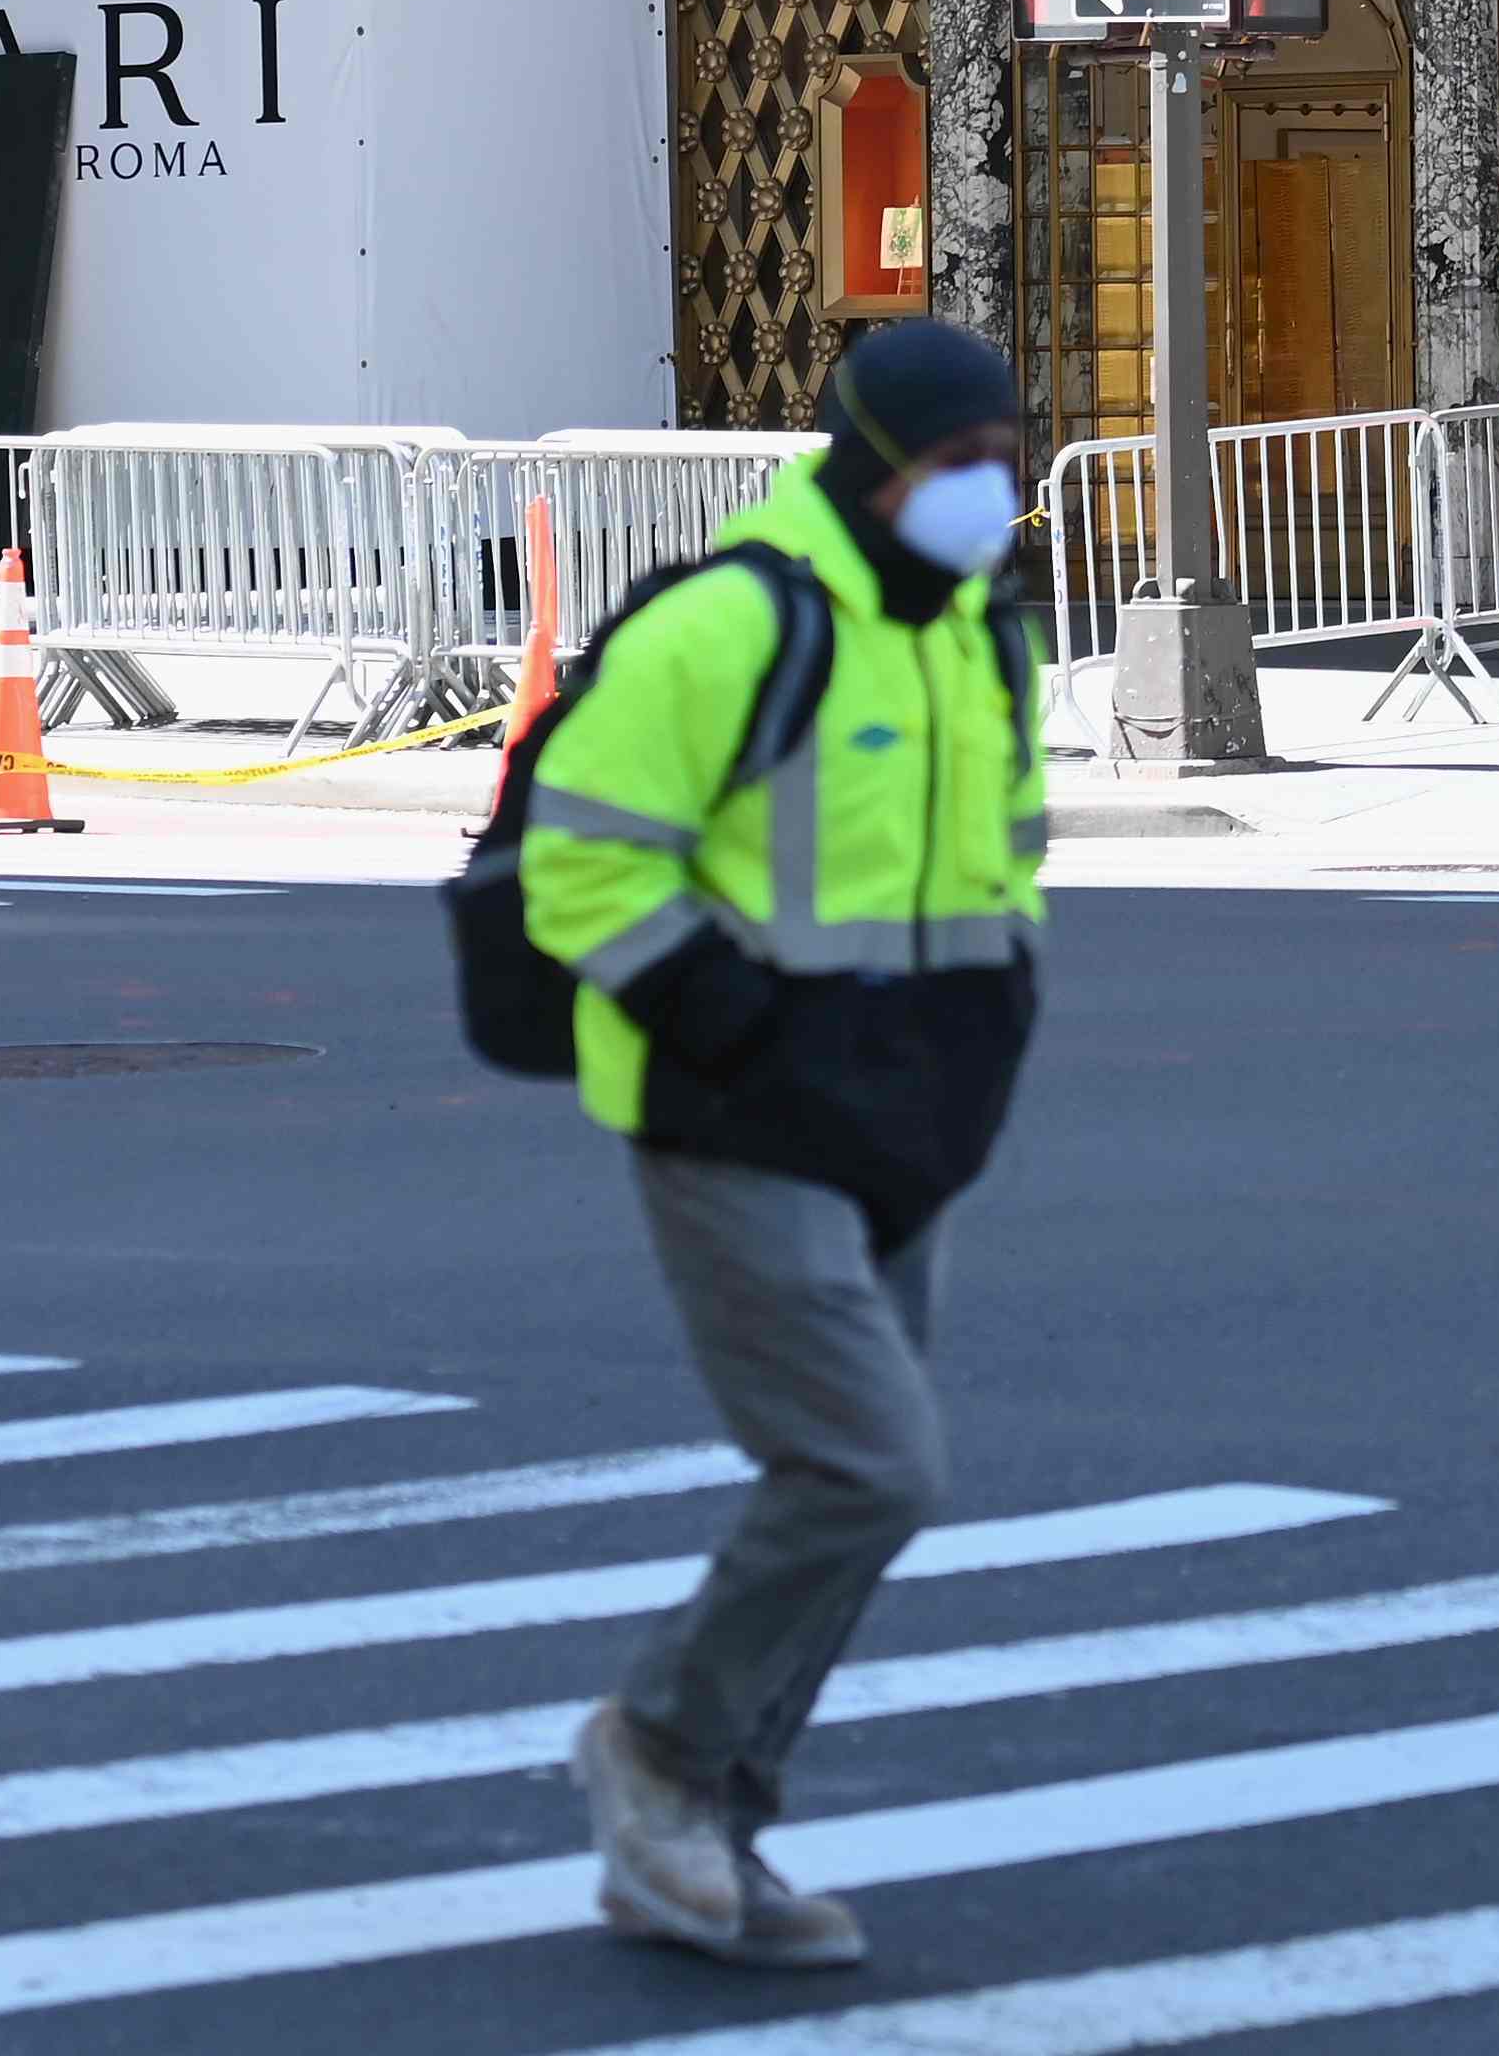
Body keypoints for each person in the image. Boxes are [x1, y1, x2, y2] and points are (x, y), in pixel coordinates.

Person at [520, 320, 1048, 1971]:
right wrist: (740, 1030)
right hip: (739, 1119)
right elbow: (580, 861)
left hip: (906, 1127)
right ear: (875, 460)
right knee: (869, 1465)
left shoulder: (980, 630)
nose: (991, 489)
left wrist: (981, 1047)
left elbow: (1005, 863)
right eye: (959, 460)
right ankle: (659, 1751)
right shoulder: (735, 617)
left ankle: (711, 1830)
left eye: (1005, 456)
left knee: (858, 1488)